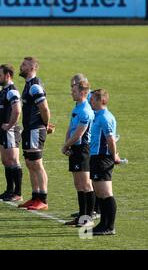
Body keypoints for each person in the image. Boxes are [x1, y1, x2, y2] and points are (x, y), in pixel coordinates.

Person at [17, 57, 53, 210]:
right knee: (29, 163)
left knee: (37, 164)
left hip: (35, 129)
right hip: (29, 129)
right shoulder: (28, 85)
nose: (21, 66)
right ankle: (35, 196)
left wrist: (45, 125)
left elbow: (44, 108)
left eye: (24, 65)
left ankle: (43, 199)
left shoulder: (34, 87)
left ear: (32, 68)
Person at [62, 77, 95, 227]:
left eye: (74, 91)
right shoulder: (77, 107)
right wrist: (67, 145)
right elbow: (71, 129)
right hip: (74, 148)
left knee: (85, 185)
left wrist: (66, 146)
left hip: (82, 149)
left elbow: (79, 135)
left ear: (82, 92)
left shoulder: (86, 111)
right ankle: (82, 217)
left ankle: (88, 218)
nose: (71, 93)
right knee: (78, 185)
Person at [89, 89, 120, 235]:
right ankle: (103, 224)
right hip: (96, 157)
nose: (91, 101)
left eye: (93, 99)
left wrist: (114, 156)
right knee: (99, 192)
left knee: (106, 193)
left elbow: (110, 139)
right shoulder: (98, 115)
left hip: (103, 158)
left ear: (101, 101)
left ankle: (110, 226)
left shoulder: (105, 117)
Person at [0, 64, 23, 202]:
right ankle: (9, 190)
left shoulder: (12, 91)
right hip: (3, 130)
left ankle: (18, 192)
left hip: (10, 131)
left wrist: (10, 125)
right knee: (6, 161)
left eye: (0, 75)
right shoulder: (3, 90)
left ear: (8, 75)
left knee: (13, 161)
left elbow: (17, 110)